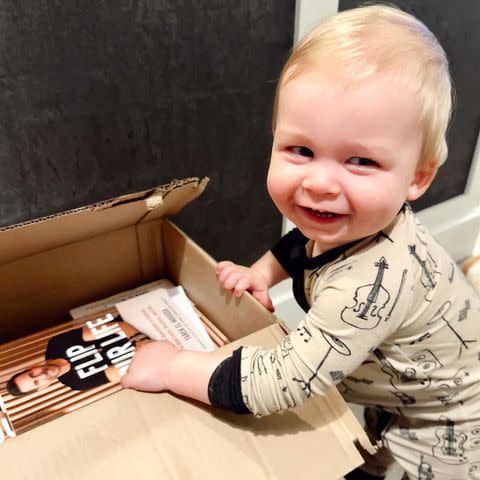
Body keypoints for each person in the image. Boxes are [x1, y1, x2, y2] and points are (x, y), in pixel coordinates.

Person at [120, 5, 480, 479]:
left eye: (361, 161)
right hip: (391, 385)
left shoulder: (372, 284)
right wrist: (261, 273)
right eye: (302, 150)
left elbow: (283, 382)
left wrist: (173, 368)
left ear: (417, 178)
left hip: (437, 436)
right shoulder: (349, 225)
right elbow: (300, 248)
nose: (320, 183)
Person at [7, 315, 148, 395]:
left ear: (31, 367)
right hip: (150, 352)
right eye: (36, 382)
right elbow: (128, 369)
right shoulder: (78, 383)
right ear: (43, 387)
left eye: (33, 374)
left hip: (138, 322)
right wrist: (148, 349)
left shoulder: (57, 344)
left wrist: (140, 341)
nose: (42, 375)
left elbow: (118, 326)